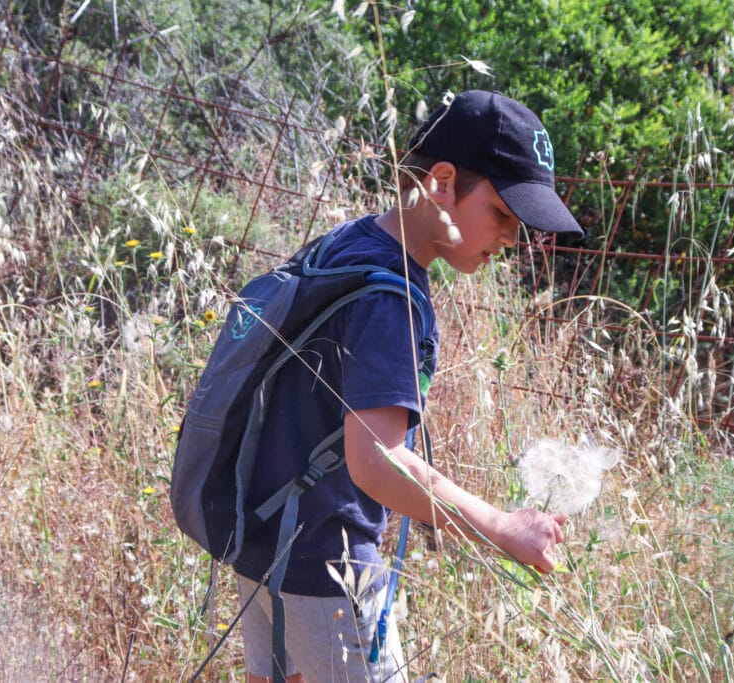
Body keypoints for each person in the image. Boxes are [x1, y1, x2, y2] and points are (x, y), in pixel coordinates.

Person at [233, 90, 584, 683]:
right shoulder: (392, 298)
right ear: (442, 183)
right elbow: (375, 462)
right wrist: (500, 526)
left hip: (263, 545)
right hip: (329, 566)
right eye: (502, 213)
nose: (509, 239)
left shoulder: (346, 242)